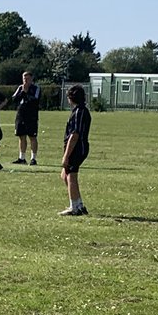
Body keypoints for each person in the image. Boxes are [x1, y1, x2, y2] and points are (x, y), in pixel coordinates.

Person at [59, 84, 92, 216]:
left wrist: (66, 155)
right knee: (64, 175)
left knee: (71, 175)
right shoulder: (79, 110)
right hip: (76, 147)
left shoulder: (80, 112)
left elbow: (75, 135)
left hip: (78, 147)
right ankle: (79, 204)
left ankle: (74, 207)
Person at [6, 71, 41, 165]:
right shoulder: (20, 88)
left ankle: (33, 158)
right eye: (24, 79)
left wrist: (26, 93)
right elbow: (14, 99)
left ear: (31, 79)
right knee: (21, 136)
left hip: (31, 115)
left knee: (32, 137)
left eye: (27, 79)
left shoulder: (36, 88)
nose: (25, 81)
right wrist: (23, 92)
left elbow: (35, 100)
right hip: (21, 115)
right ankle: (22, 158)